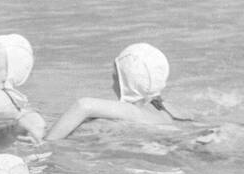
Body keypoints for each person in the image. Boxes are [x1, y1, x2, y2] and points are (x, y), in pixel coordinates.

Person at [43, 43, 195, 141]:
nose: (112, 85)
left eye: (116, 78)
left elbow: (83, 105)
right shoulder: (169, 109)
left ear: (128, 82)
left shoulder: (134, 111)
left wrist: (45, 143)